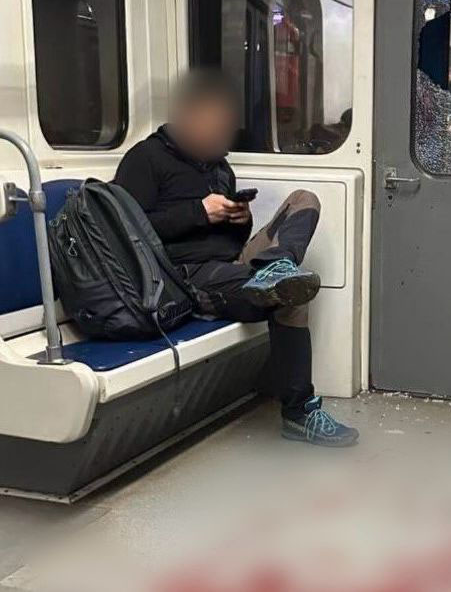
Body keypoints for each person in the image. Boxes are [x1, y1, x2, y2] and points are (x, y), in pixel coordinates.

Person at [114, 69, 358, 447]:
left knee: (304, 200)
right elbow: (127, 230)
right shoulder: (144, 159)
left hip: (229, 263)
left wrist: (239, 221)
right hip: (183, 276)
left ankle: (273, 265)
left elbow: (227, 240)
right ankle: (299, 412)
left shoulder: (219, 166)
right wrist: (199, 212)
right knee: (289, 294)